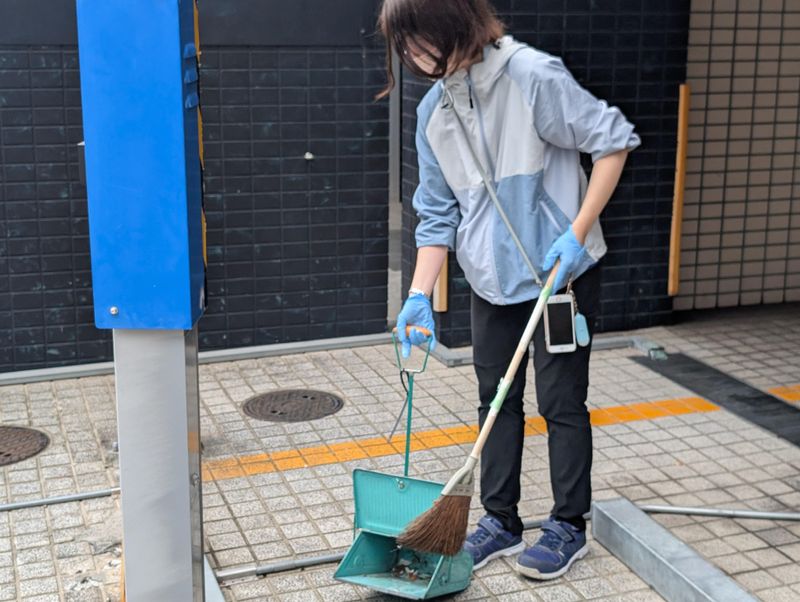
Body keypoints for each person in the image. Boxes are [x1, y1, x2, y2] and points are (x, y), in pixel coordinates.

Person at [379, 0, 641, 580]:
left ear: (453, 23)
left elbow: (614, 141)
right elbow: (436, 215)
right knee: (495, 401)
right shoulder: (433, 112)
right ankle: (500, 520)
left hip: (558, 276)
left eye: (420, 39)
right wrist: (418, 296)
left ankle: (568, 525)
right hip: (491, 283)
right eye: (405, 46)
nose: (414, 56)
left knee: (561, 403)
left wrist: (577, 233)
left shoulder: (531, 75)